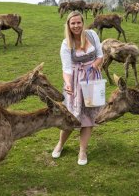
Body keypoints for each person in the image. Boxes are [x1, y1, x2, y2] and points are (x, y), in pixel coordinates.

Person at [52, 11, 103, 165]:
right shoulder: (65, 44)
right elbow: (66, 69)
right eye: (72, 23)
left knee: (89, 117)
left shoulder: (92, 35)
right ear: (68, 25)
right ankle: (60, 144)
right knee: (71, 117)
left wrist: (93, 66)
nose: (76, 26)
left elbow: (100, 56)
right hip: (75, 82)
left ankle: (82, 150)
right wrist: (68, 84)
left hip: (92, 79)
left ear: (83, 22)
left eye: (78, 22)